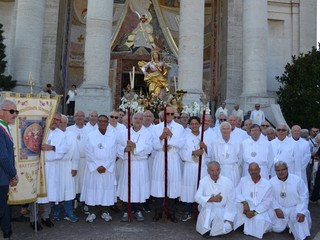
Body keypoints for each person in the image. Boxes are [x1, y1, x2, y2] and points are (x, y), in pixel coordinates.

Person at [31, 113, 68, 230]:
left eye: (58, 120)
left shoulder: (61, 135)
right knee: (36, 194)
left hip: (52, 168)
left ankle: (45, 216)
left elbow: (64, 150)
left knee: (49, 193)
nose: (56, 122)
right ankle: (33, 219)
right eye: (54, 119)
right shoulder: (40, 131)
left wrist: (52, 148)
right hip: (38, 167)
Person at [150, 106, 186, 222]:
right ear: (162, 115)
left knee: (172, 185)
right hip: (160, 157)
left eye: (171, 114)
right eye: (167, 114)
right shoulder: (156, 128)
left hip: (173, 157)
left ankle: (171, 213)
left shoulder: (179, 128)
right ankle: (158, 212)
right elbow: (153, 145)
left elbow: (181, 143)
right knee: (159, 185)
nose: (169, 116)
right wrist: (161, 137)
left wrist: (171, 135)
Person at [81, 115, 119, 223]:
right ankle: (92, 212)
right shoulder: (91, 135)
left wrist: (105, 166)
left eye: (105, 121)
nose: (102, 123)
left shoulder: (112, 136)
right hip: (94, 169)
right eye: (100, 121)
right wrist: (97, 166)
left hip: (107, 169)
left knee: (106, 189)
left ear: (108, 123)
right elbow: (88, 152)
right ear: (97, 122)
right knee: (93, 189)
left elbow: (113, 153)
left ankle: (105, 212)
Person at [117, 112, 152, 222]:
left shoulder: (147, 133)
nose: (137, 120)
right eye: (135, 118)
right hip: (128, 163)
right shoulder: (124, 133)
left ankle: (137, 209)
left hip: (140, 165)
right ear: (132, 120)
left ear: (143, 120)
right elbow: (117, 146)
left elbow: (149, 148)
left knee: (138, 188)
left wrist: (135, 147)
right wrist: (124, 149)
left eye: (140, 119)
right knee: (127, 187)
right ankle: (127, 210)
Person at [269, 161, 311, 240]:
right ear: (275, 171)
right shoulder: (272, 181)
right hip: (280, 208)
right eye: (278, 170)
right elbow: (270, 197)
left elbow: (304, 196)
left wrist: (301, 211)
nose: (280, 172)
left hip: (295, 209)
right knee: (267, 216)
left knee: (300, 227)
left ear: (287, 169)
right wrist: (276, 209)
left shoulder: (297, 180)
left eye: (283, 169)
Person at [180, 116, 210, 222]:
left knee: (201, 188)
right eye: (192, 124)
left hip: (201, 167)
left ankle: (200, 211)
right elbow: (182, 153)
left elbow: (211, 153)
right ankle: (187, 211)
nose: (194, 126)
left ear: (200, 124)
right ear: (189, 125)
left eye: (196, 123)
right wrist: (193, 153)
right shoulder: (185, 137)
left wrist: (205, 147)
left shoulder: (205, 136)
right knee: (189, 189)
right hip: (190, 166)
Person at [195, 161, 236, 238]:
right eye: (212, 170)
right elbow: (197, 197)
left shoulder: (227, 181)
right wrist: (212, 199)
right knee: (209, 209)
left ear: (220, 170)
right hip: (207, 210)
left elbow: (231, 201)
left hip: (223, 210)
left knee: (227, 226)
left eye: (217, 170)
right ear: (208, 171)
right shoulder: (203, 181)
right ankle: (209, 229)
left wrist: (229, 218)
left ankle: (214, 229)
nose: (215, 173)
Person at [234, 162, 273, 239]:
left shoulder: (267, 184)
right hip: (245, 209)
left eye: (255, 169)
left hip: (259, 210)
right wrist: (244, 202)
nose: (253, 172)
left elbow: (267, 203)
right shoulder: (243, 180)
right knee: (235, 208)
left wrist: (255, 212)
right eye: (251, 170)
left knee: (260, 221)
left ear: (259, 170)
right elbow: (236, 193)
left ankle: (246, 227)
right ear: (248, 171)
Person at [52, 115, 79, 222]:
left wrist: (75, 167)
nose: (62, 124)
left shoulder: (71, 135)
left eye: (64, 123)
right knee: (56, 190)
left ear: (67, 124)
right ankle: (56, 213)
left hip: (67, 165)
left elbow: (75, 151)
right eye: (60, 122)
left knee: (68, 191)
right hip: (56, 165)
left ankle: (69, 213)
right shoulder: (53, 134)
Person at [0, 99, 19, 239]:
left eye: (16, 112)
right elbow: (4, 157)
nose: (14, 114)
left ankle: (7, 230)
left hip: (3, 178)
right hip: (1, 178)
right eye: (11, 111)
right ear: (1, 112)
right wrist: (13, 174)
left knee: (4, 206)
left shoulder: (5, 127)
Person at [212, 122, 241, 187]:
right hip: (220, 170)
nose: (225, 131)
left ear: (230, 130)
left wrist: (233, 165)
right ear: (220, 130)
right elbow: (213, 157)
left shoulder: (237, 142)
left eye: (227, 129)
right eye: (223, 129)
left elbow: (240, 158)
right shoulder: (215, 142)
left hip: (232, 170)